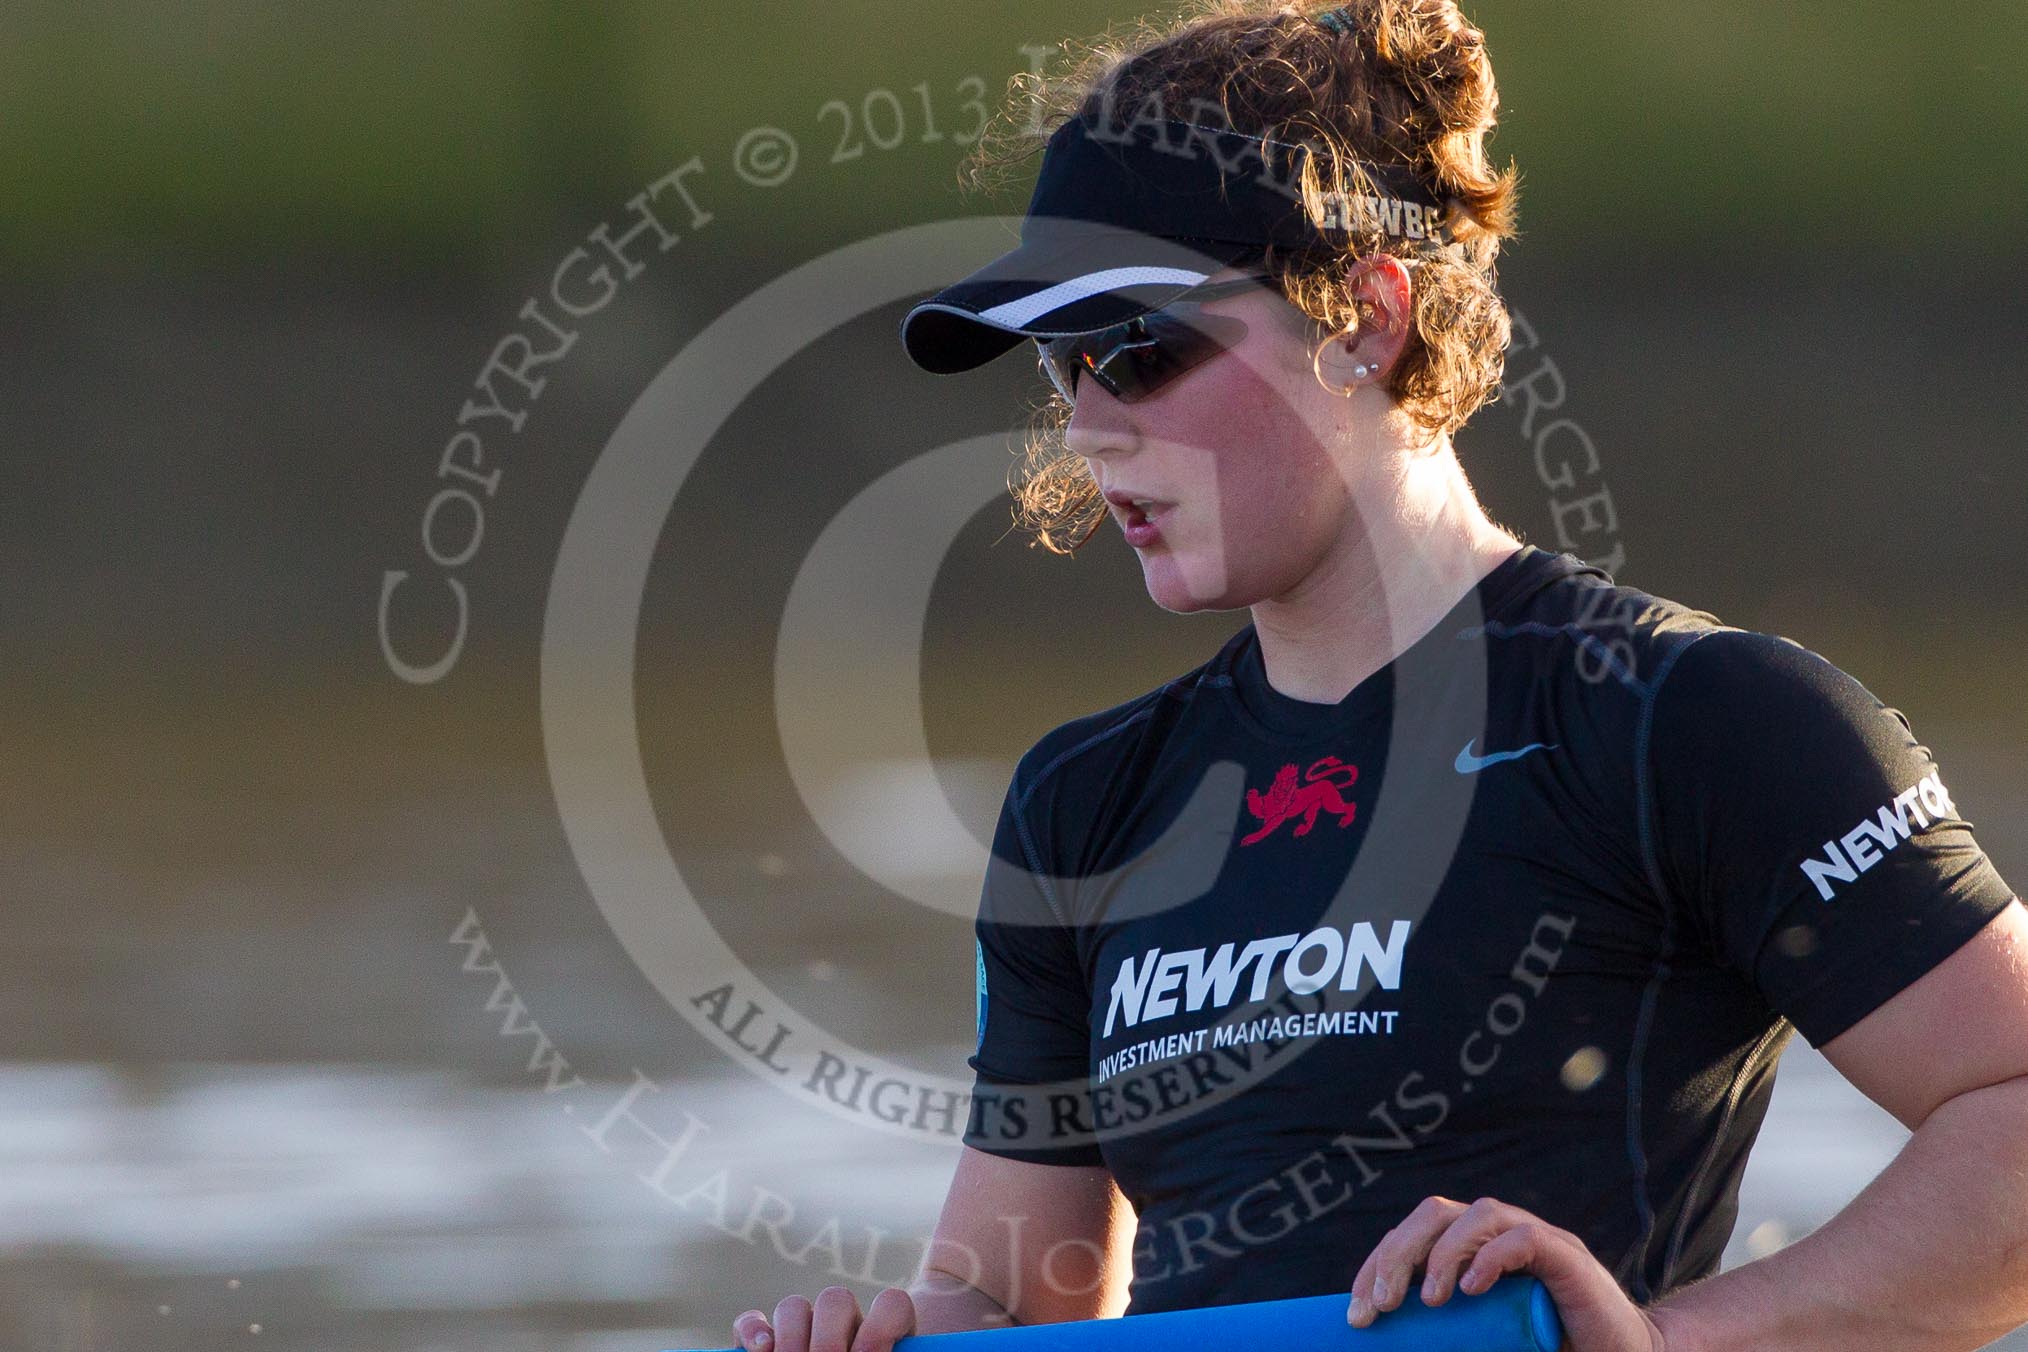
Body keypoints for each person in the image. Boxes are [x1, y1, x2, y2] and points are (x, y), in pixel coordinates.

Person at [733, 4, 2028, 1350]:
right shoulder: (1085, 801)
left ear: (1364, 316)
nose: (1090, 427)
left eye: (1138, 350)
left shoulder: (1697, 723)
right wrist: (891, 1334)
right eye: (1065, 367)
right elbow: (1012, 1303)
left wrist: (1664, 1345)